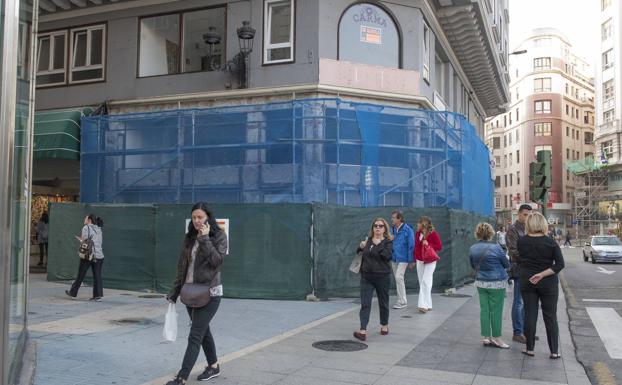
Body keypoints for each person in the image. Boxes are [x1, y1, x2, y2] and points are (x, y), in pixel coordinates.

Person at [166, 203, 228, 385]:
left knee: (195, 334)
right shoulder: (189, 238)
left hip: (211, 293)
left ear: (208, 217)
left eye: (200, 217)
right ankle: (214, 366)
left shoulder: (219, 236)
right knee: (203, 331)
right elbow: (182, 268)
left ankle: (182, 377)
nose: (196, 221)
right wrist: (174, 292)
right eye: (194, 217)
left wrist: (205, 238)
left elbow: (216, 261)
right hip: (190, 293)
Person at [517, 212, 565, 358]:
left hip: (527, 280)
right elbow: (560, 264)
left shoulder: (522, 241)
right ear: (543, 224)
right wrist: (543, 274)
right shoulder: (551, 242)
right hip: (548, 282)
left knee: (530, 314)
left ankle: (530, 348)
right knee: (550, 316)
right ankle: (554, 351)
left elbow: (520, 259)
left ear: (529, 224)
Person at [469, 222, 510, 348]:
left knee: (484, 310)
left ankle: (486, 337)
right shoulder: (496, 248)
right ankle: (497, 338)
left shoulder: (472, 248)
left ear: (478, 233)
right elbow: (506, 264)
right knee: (496, 310)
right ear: (491, 233)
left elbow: (472, 265)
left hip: (481, 282)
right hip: (496, 282)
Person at [353, 217, 393, 341]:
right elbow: (361, 254)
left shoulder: (388, 242)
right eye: (375, 225)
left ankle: (384, 325)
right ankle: (363, 330)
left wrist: (379, 244)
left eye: (381, 226)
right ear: (373, 228)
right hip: (367, 277)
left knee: (383, 303)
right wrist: (360, 247)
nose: (378, 228)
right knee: (365, 304)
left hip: (382, 276)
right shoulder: (368, 240)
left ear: (385, 228)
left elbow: (387, 256)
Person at [506, 203, 532, 343]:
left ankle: (525, 331)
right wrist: (528, 259)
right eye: (525, 215)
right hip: (519, 268)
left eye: (529, 215)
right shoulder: (513, 229)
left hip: (528, 268)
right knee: (519, 301)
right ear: (519, 214)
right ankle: (517, 332)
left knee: (526, 302)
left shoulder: (529, 229)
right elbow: (513, 250)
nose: (527, 218)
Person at [65, 214, 104, 301]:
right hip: (99, 255)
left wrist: (79, 240)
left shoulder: (86, 228)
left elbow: (85, 242)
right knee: (97, 275)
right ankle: (97, 295)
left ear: (89, 220)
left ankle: (73, 293)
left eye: (86, 218)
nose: (84, 219)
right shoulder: (99, 229)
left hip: (88, 255)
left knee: (80, 274)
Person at [413, 216, 442, 313]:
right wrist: (414, 259)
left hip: (430, 260)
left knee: (426, 280)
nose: (417, 225)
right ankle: (428, 304)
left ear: (423, 224)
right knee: (423, 282)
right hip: (420, 260)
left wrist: (428, 244)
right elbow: (416, 247)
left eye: (419, 223)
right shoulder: (417, 233)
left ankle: (422, 305)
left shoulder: (433, 234)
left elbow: (439, 246)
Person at [389, 210, 414, 309]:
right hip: (394, 258)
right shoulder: (392, 230)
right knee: (397, 278)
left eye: (394, 217)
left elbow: (411, 245)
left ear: (399, 219)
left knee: (399, 277)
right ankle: (400, 300)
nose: (392, 219)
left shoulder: (408, 230)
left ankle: (403, 301)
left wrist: (411, 260)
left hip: (404, 258)